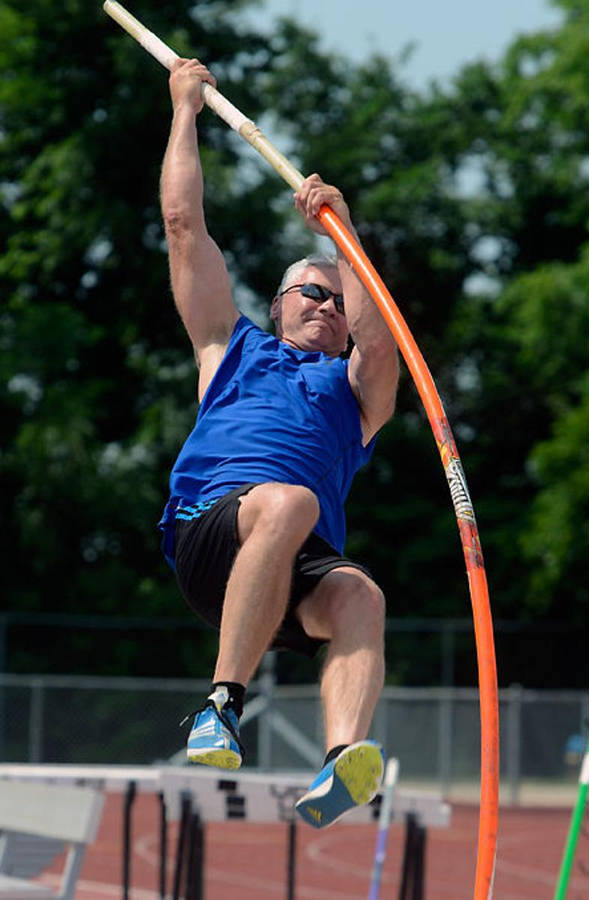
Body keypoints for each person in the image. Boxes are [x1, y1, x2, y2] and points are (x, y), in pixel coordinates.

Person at [156, 58, 399, 829]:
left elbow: (382, 344)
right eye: (313, 290)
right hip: (212, 534)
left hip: (291, 561)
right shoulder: (231, 349)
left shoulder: (356, 392)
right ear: (278, 302)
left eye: (340, 295)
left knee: (362, 594)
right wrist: (185, 111)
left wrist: (346, 234)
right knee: (286, 500)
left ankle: (340, 766)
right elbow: (183, 228)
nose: (329, 304)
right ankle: (220, 707)